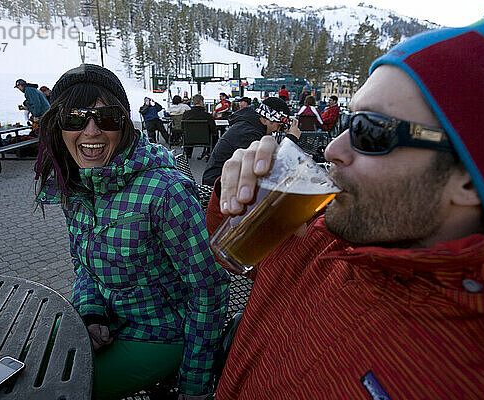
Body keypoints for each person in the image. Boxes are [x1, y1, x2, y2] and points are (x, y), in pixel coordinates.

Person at [208, 12, 484, 399]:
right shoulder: (327, 235)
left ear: (468, 175)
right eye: (348, 121)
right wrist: (238, 195)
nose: (333, 149)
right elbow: (235, 249)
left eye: (370, 130)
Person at [34, 64, 229, 400]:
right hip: (110, 320)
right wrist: (91, 310)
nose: (92, 131)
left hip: (164, 333)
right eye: (75, 117)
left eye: (106, 118)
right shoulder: (77, 185)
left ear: (123, 124)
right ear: (57, 126)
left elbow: (209, 290)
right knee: (29, 359)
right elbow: (84, 266)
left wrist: (196, 382)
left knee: (58, 390)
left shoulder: (166, 193)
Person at [202, 97, 294, 187]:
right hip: (216, 187)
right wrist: (291, 138)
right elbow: (266, 169)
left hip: (224, 180)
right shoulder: (248, 134)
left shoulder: (250, 127)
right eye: (278, 126)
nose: (278, 131)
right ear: (266, 119)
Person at [182, 94, 217, 159]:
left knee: (189, 131)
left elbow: (183, 128)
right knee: (214, 134)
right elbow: (213, 129)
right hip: (205, 139)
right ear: (201, 102)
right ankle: (209, 153)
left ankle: (188, 153)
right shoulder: (207, 115)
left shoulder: (186, 114)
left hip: (189, 139)